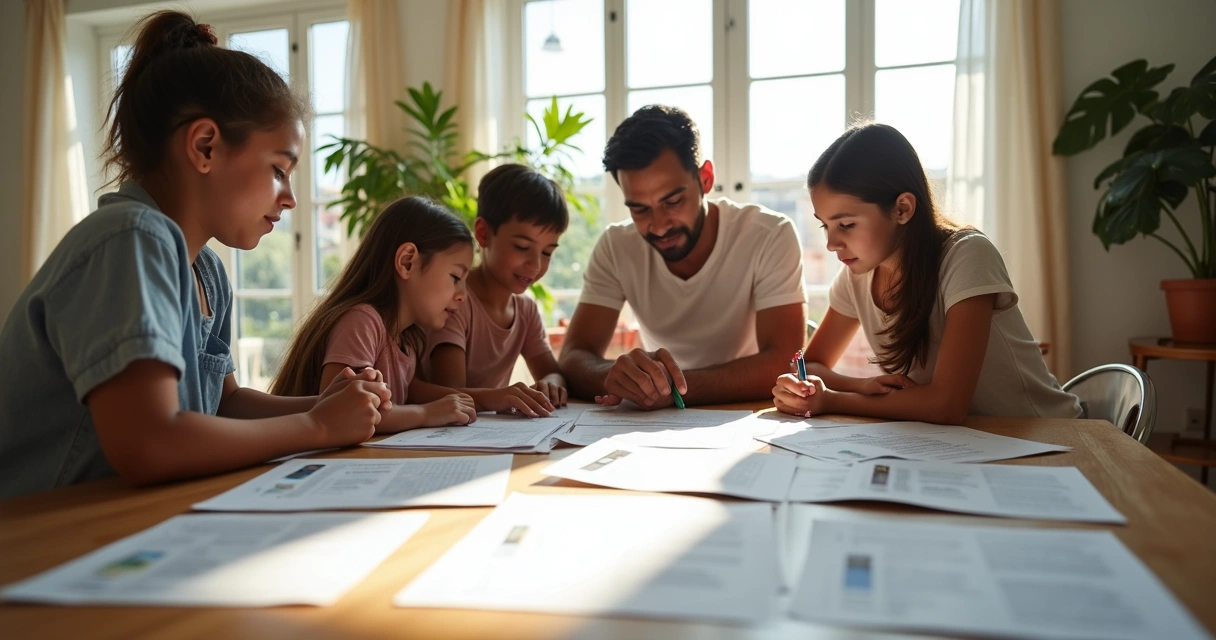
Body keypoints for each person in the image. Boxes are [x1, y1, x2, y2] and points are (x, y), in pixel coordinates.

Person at [0, 11, 391, 499]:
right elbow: (151, 443)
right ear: (205, 146)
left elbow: (223, 405)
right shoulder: (131, 239)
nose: (290, 197)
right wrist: (316, 427)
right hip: (37, 535)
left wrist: (323, 405)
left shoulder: (205, 271)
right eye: (279, 170)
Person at [772, 123, 1082, 423]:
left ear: (902, 209)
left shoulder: (966, 256)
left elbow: (947, 405)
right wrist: (860, 385)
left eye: (847, 225)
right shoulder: (856, 277)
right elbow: (812, 364)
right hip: (964, 444)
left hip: (1046, 435)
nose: (830, 244)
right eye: (826, 225)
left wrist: (833, 399)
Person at [559, 105, 807, 409]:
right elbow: (573, 355)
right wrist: (612, 375)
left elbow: (785, 360)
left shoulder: (769, 234)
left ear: (705, 179)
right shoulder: (616, 245)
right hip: (657, 421)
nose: (659, 225)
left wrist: (668, 389)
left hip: (748, 414)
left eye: (673, 201)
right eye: (639, 209)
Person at [272, 197, 479, 429]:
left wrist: (491, 398)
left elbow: (412, 390)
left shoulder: (405, 339)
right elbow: (346, 411)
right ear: (407, 262)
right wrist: (425, 414)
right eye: (456, 278)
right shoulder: (362, 321)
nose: (463, 295)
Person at [425, 164, 569, 417]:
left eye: (547, 252)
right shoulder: (456, 301)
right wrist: (501, 396)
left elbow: (551, 371)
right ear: (483, 234)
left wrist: (552, 384)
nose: (535, 265)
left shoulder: (525, 310)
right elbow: (450, 392)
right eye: (522, 247)